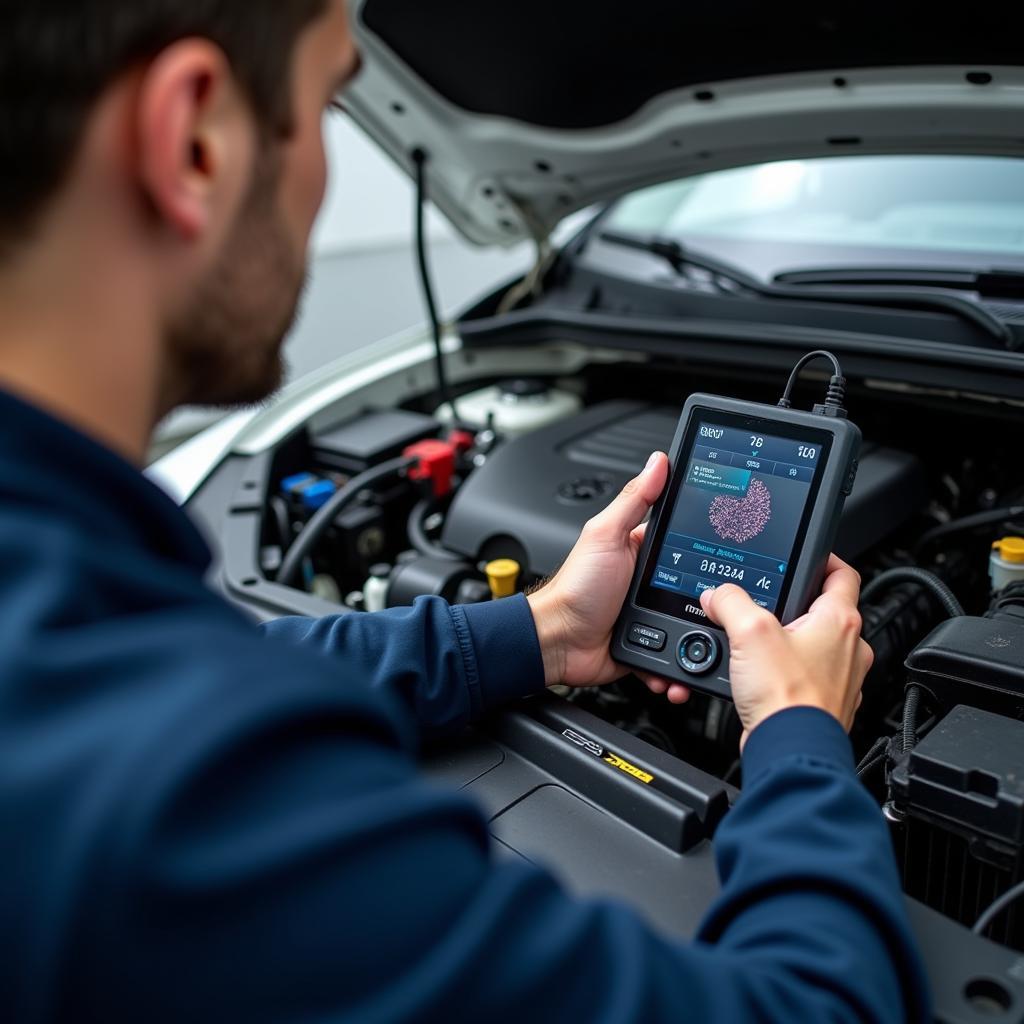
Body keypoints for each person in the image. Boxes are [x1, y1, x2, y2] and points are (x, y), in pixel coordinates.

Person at [0, 1, 930, 1021]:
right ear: (192, 140)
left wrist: (541, 632)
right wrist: (799, 735)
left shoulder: (62, 627)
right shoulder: (185, 816)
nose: (317, 179)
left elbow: (216, 674)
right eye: (325, 106)